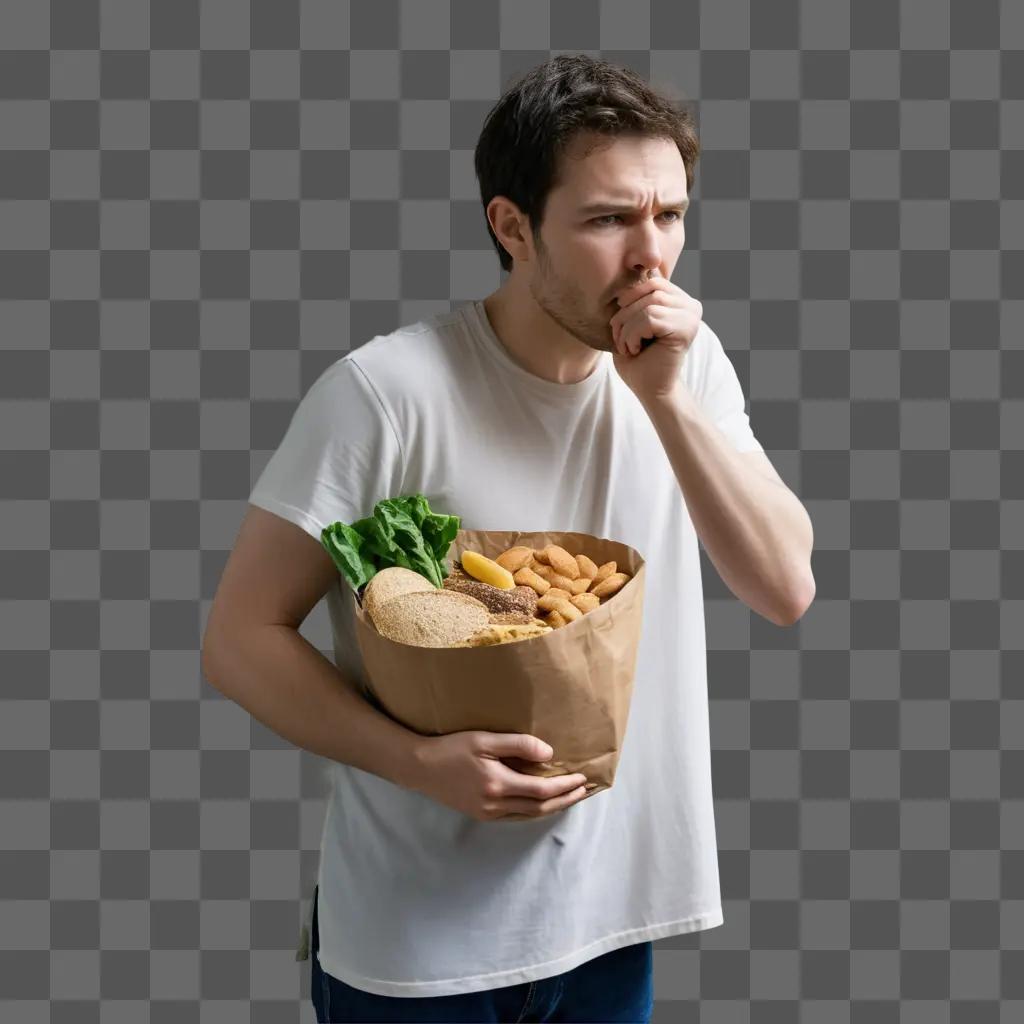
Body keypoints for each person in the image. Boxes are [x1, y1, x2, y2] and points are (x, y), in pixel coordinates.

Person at [201, 54, 815, 1023]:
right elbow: (239, 639)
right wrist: (414, 760)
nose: (650, 256)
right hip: (416, 938)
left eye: (670, 213)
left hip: (609, 920)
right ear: (511, 226)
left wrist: (664, 403)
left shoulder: (687, 369)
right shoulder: (386, 394)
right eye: (609, 219)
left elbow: (784, 587)